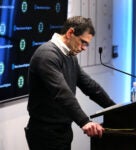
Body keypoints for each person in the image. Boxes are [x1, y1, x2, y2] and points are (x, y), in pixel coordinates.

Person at [25, 16, 116, 150]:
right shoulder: (47, 55)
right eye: (83, 42)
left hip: (63, 130)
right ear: (70, 33)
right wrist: (84, 121)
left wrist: (115, 109)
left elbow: (90, 86)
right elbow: (62, 92)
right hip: (45, 133)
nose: (84, 48)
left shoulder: (69, 56)